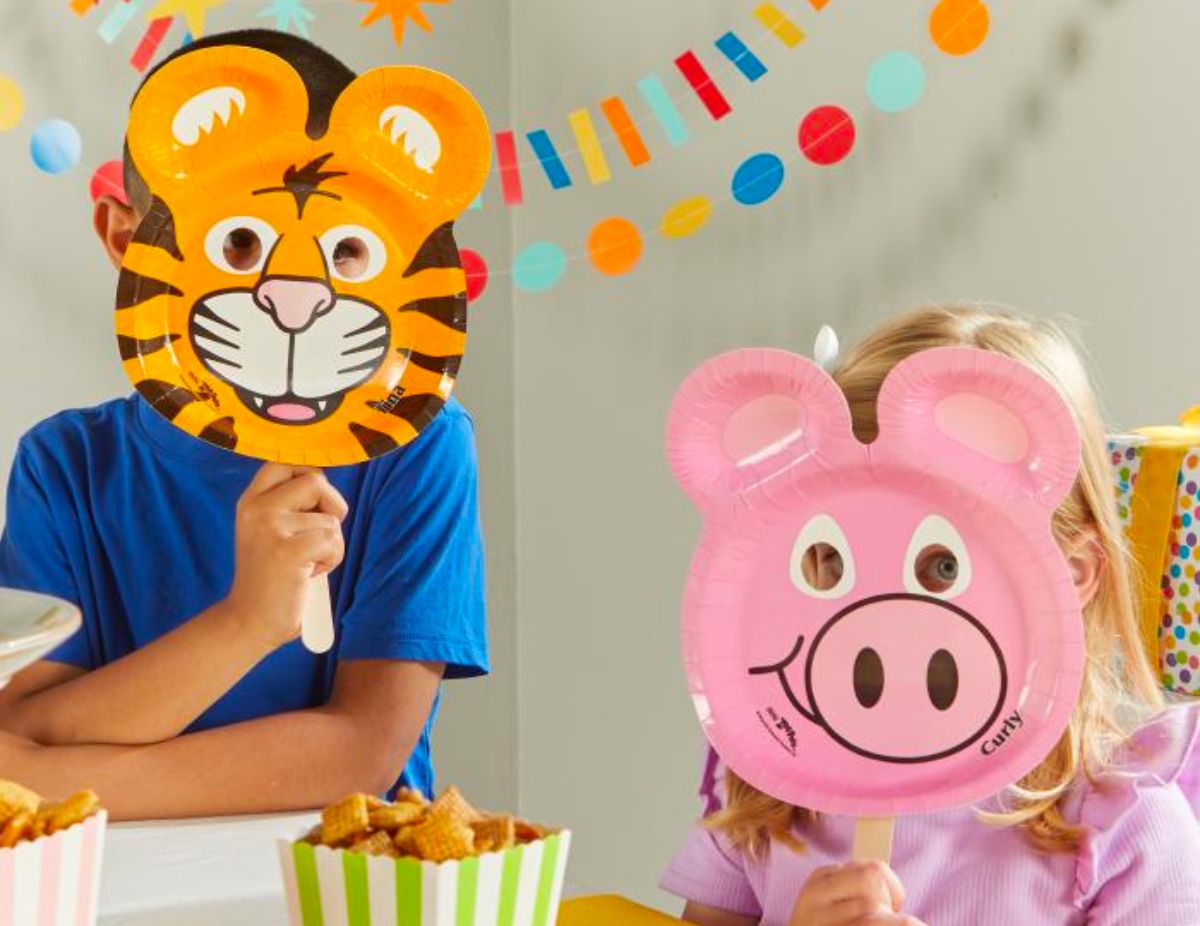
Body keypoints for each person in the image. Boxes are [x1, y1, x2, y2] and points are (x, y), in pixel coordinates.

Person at [0, 30, 487, 820]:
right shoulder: (65, 465)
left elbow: (361, 754)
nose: (291, 296)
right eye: (236, 243)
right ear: (126, 239)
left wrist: (57, 782)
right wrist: (249, 622)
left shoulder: (417, 446)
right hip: (117, 883)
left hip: (345, 883)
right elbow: (26, 723)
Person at [662, 304, 1200, 925]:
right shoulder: (765, 792)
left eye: (943, 568)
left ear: (1072, 573)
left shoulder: (1128, 833)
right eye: (834, 563)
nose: (879, 618)